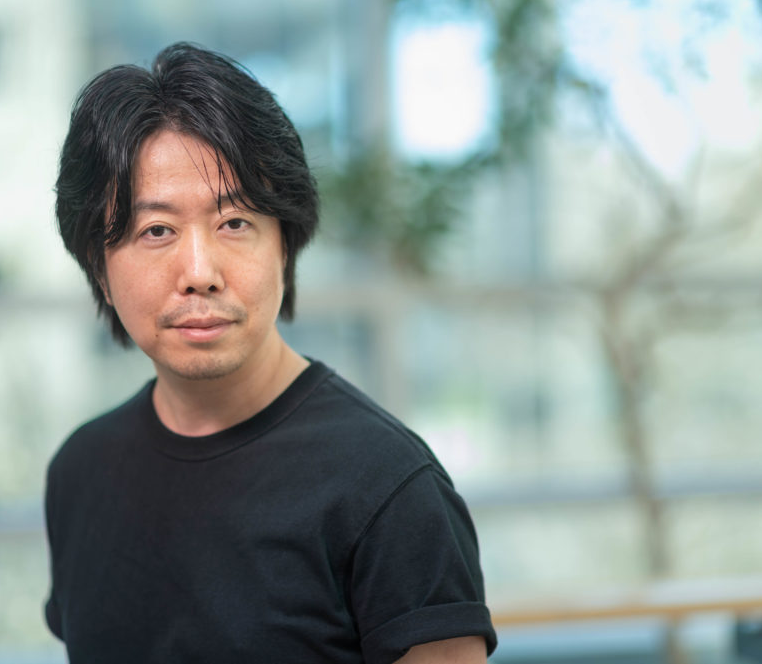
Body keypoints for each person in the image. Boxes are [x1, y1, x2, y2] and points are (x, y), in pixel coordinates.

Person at [43, 41, 497, 664]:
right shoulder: (80, 472)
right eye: (157, 231)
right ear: (99, 266)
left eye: (234, 223)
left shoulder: (388, 489)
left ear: (284, 247)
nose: (199, 271)